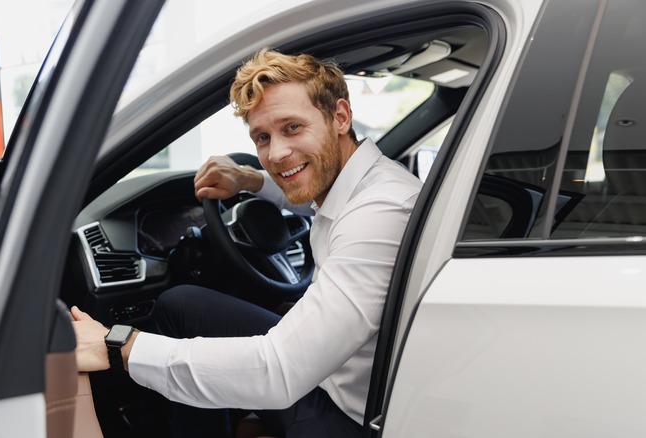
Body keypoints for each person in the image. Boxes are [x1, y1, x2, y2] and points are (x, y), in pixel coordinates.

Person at [72, 48, 423, 437]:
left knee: (177, 311)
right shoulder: (366, 183)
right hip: (346, 376)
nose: (276, 153)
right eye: (262, 137)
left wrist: (118, 345)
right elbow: (314, 202)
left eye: (292, 128)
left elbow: (279, 370)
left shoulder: (378, 214)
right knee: (182, 304)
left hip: (348, 417)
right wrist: (250, 180)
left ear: (340, 116)